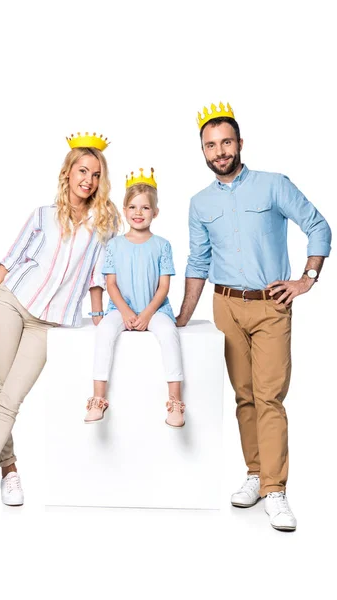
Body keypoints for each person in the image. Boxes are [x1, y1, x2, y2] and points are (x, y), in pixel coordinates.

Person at [176, 102, 332, 531]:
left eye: (226, 142)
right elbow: (198, 261)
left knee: (269, 397)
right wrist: (183, 318)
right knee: (243, 396)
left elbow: (318, 227)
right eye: (210, 146)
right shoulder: (199, 202)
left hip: (270, 306)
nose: (219, 151)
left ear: (240, 143)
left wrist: (306, 279)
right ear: (203, 152)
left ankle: (276, 490)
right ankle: (254, 474)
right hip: (225, 306)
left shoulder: (273, 185)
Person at [0, 133, 121, 524]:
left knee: (9, 398)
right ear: (68, 173)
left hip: (52, 321)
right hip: (11, 301)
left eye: (96, 174)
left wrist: (99, 320)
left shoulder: (103, 226)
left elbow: (97, 277)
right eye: (82, 171)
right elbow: (11, 259)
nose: (88, 180)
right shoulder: (43, 214)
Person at [84, 168, 185, 428]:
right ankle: (98, 398)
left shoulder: (162, 245)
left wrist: (148, 313)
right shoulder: (115, 245)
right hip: (121, 308)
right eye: (132, 207)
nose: (138, 213)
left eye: (145, 208)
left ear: (155, 212)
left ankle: (175, 401)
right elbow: (111, 284)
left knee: (168, 335)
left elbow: (163, 287)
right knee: (105, 331)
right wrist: (127, 313)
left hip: (155, 309)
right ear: (125, 210)